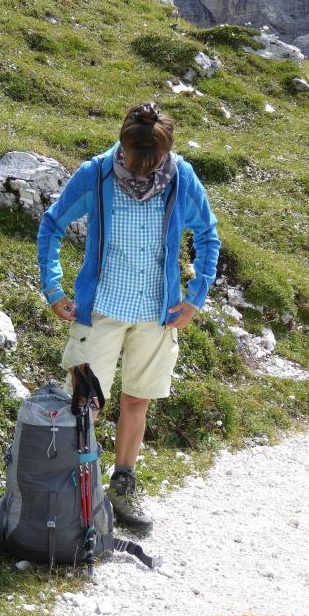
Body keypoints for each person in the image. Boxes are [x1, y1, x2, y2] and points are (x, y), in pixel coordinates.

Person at [37, 102, 221, 533]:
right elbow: (52, 224)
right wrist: (53, 288)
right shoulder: (97, 174)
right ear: (122, 145)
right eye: (135, 162)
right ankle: (77, 491)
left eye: (151, 163)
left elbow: (208, 235)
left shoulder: (181, 178)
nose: (141, 174)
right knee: (86, 403)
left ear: (164, 153)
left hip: (157, 315)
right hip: (99, 310)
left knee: (137, 400)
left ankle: (122, 486)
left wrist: (195, 297)